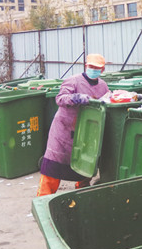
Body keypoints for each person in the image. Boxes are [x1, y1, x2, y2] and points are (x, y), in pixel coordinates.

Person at [36, 53, 109, 196]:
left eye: (97, 68)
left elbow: (108, 99)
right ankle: (43, 198)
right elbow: (60, 98)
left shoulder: (103, 86)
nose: (93, 69)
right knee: (53, 165)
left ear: (102, 70)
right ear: (86, 66)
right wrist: (75, 97)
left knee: (85, 164)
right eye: (91, 66)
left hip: (86, 130)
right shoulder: (73, 81)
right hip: (64, 130)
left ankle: (82, 193)